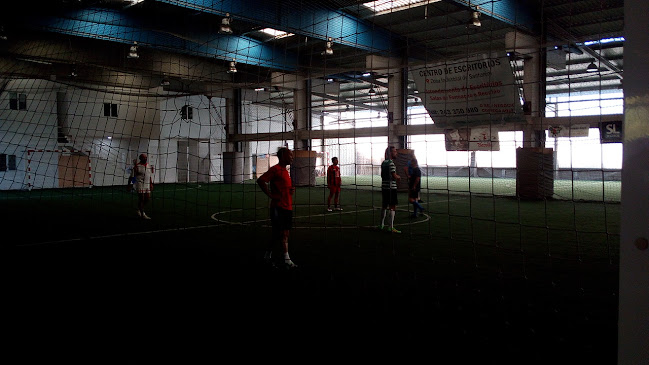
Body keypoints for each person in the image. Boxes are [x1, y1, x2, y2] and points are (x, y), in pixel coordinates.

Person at [257, 147, 298, 268]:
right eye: (290, 155)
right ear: (283, 156)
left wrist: (290, 190)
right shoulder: (275, 169)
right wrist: (270, 194)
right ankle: (287, 260)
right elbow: (261, 180)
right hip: (278, 207)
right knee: (283, 233)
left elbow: (282, 187)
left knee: (278, 234)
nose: (292, 157)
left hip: (287, 206)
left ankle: (267, 256)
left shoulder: (285, 171)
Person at [378, 146, 401, 233]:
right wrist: (398, 177)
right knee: (392, 206)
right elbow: (394, 176)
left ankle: (381, 225)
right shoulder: (391, 163)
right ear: (390, 153)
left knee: (384, 206)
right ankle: (390, 227)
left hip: (384, 187)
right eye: (395, 151)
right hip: (391, 188)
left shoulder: (383, 163)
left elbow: (382, 175)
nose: (396, 153)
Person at [128, 153, 153, 219]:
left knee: (147, 199)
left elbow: (149, 176)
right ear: (140, 158)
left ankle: (139, 209)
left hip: (147, 184)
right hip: (140, 184)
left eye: (146, 157)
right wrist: (130, 185)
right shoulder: (137, 167)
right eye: (143, 157)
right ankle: (142, 214)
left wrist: (151, 183)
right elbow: (132, 177)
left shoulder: (148, 166)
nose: (145, 158)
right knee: (141, 198)